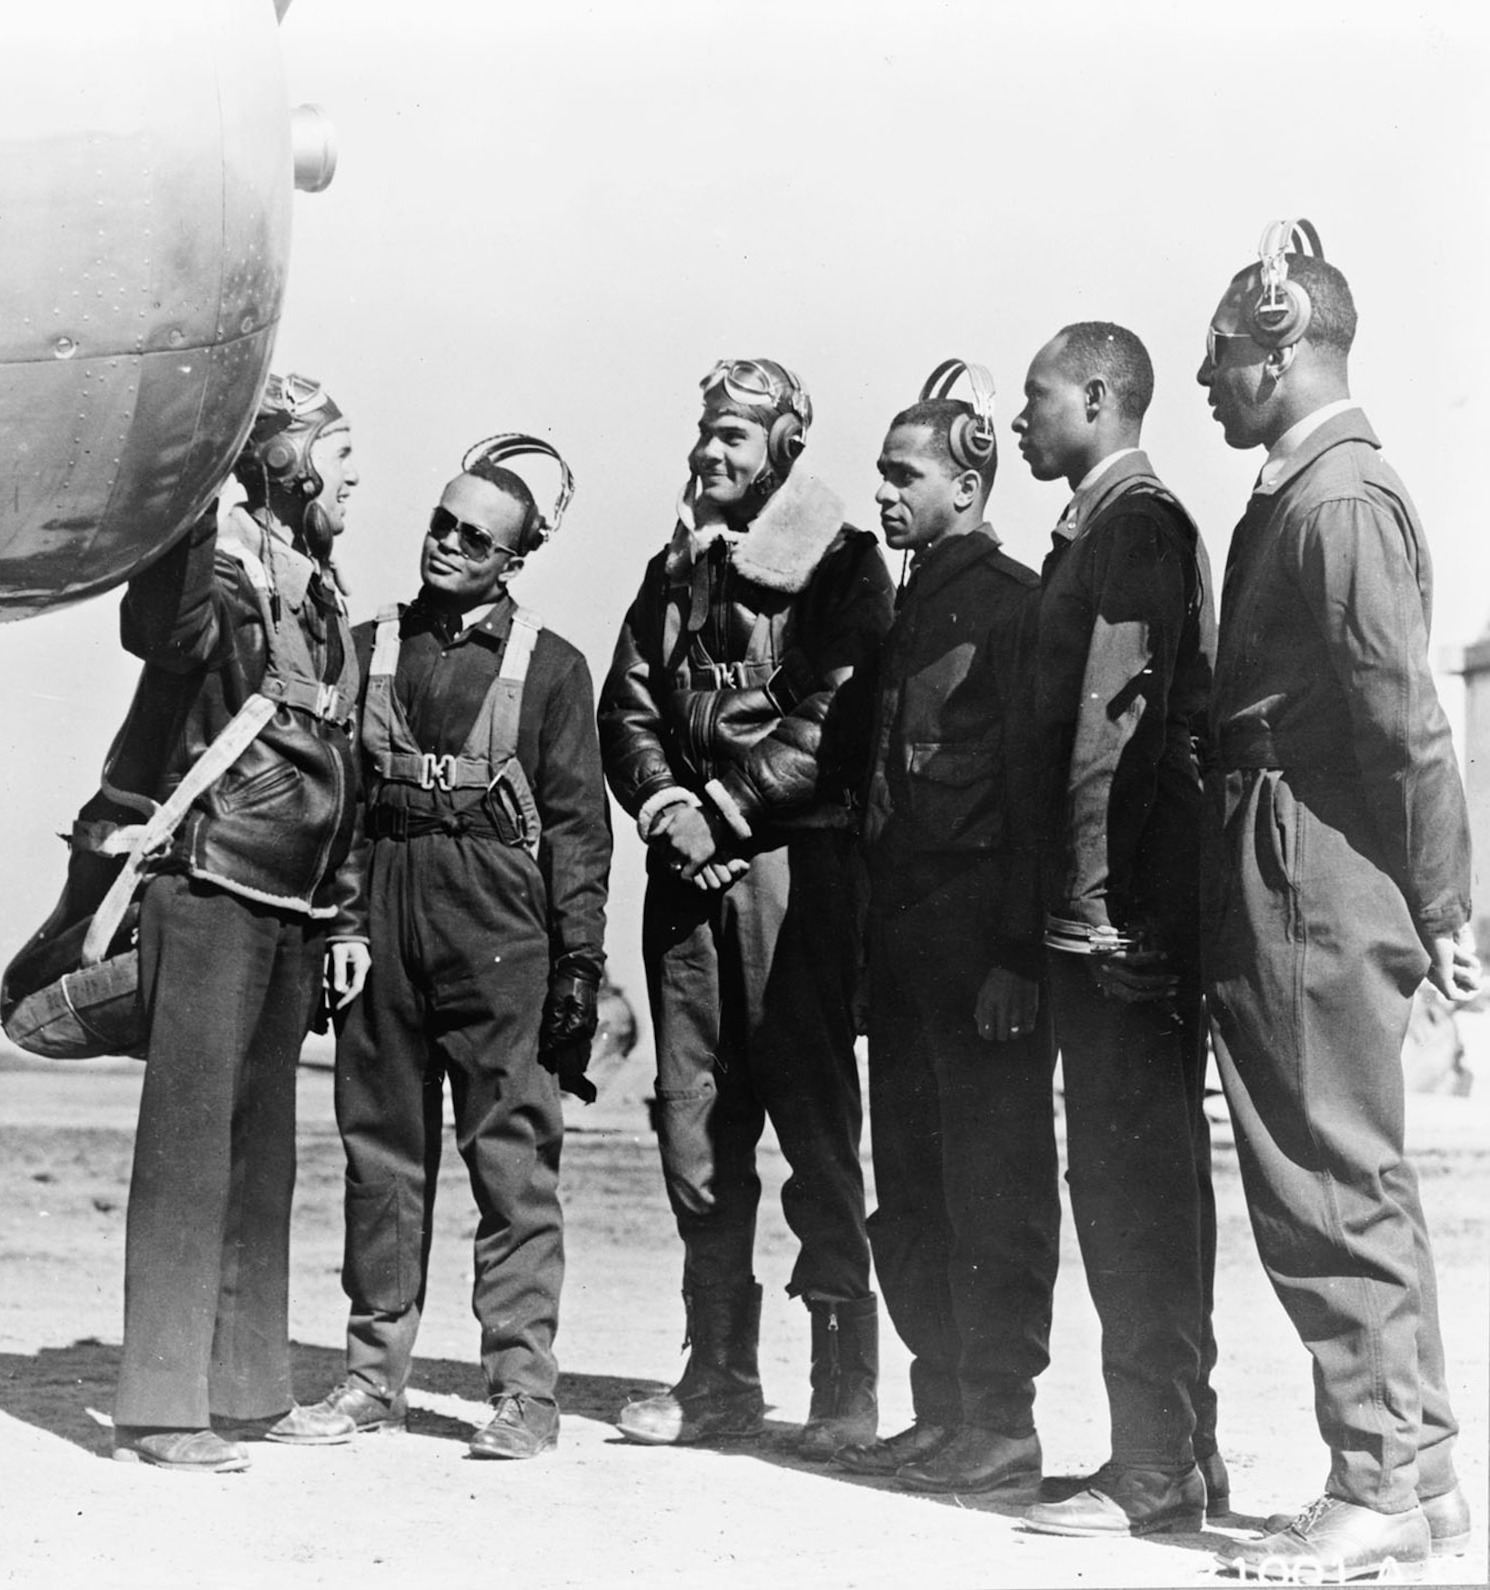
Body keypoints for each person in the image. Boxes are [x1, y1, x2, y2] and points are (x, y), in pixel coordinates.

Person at [1195, 222, 1478, 1581]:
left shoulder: (1337, 498)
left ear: (1282, 339)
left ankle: (1368, 1484)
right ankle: (1417, 1475)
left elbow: (1406, 723)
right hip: (1305, 851)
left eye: (1221, 353)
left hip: (1306, 859)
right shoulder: (1314, 489)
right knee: (1355, 1168)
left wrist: (1449, 904)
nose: (1205, 379)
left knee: (1321, 1175)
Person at [268, 439, 610, 1461]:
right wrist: (340, 924)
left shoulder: (551, 666)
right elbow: (335, 804)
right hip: (382, 916)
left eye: (476, 539)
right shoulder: (367, 641)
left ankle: (522, 1394)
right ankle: (372, 1381)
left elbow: (578, 828)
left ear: (514, 559)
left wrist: (578, 964)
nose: (448, 546)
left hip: (499, 932)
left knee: (512, 1165)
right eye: (441, 524)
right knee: (380, 1160)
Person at [599, 359, 892, 1458]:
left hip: (792, 878)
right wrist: (671, 802)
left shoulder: (844, 566)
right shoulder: (672, 572)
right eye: (704, 431)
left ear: (783, 447)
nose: (708, 452)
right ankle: (716, 1371)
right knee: (692, 1123)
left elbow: (834, 712)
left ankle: (840, 1385)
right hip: (686, 877)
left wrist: (725, 807)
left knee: (814, 1126)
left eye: (732, 435)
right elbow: (627, 701)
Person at [96, 373, 370, 1474]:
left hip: (291, 903)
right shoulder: (219, 569)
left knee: (262, 1159)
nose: (353, 486)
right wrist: (196, 480)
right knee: (187, 1154)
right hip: (210, 883)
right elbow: (159, 632)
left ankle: (249, 1394)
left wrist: (342, 910)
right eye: (341, 463)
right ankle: (160, 1412)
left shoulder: (320, 592)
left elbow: (338, 761)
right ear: (291, 466)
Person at [1006, 323, 1227, 1538]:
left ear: (1096, 396)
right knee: (1136, 1184)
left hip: (1121, 928)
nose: (1018, 420)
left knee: (1132, 1189)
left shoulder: (1130, 527)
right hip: (1121, 917)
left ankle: (1152, 1468)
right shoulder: (1108, 525)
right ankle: (1179, 1455)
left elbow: (1111, 739)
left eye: (1036, 396)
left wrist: (1091, 915)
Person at [833, 365, 1060, 1497]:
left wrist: (1018, 956)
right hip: (907, 952)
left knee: (993, 1184)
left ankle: (1001, 1422)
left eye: (902, 474)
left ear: (967, 487)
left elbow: (1033, 801)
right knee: (913, 1183)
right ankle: (941, 1408)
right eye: (880, 472)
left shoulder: (1015, 608)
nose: (882, 494)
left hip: (979, 955)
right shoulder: (905, 607)